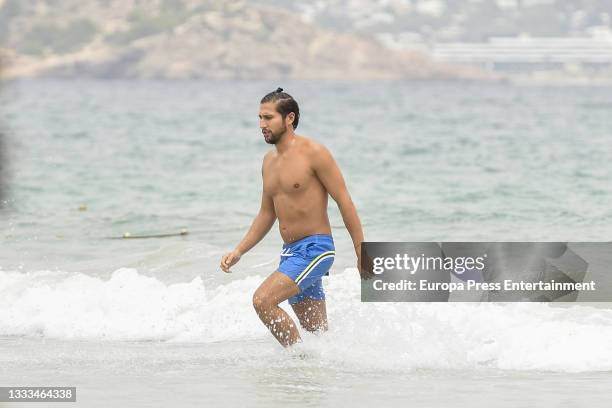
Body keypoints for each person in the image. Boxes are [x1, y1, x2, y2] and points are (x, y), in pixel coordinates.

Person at [220, 88, 364, 347]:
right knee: (317, 337)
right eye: (260, 119)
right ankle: (316, 376)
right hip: (290, 252)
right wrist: (239, 251)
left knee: (263, 300)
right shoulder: (268, 162)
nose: (262, 125)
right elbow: (266, 214)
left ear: (289, 118)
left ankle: (297, 363)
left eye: (268, 118)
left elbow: (345, 201)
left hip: (315, 249)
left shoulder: (314, 153)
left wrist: (360, 250)